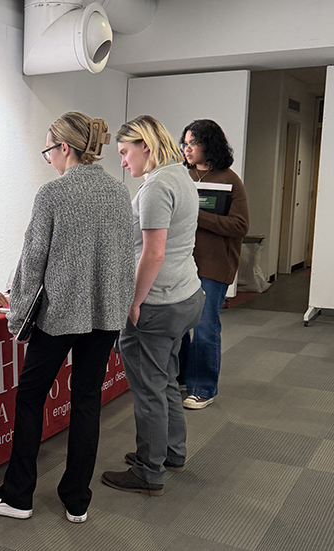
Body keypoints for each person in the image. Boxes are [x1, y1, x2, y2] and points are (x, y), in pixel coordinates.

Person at [0, 112, 135, 523]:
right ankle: (77, 499)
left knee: (29, 398)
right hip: (105, 316)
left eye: (48, 149)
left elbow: (32, 262)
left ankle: (17, 495)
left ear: (65, 147)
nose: (48, 158)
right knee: (86, 403)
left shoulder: (52, 195)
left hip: (60, 315)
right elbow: (123, 257)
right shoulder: (118, 192)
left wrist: (16, 317)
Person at [101, 115, 205, 497]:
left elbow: (153, 253)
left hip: (159, 302)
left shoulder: (158, 186)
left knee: (148, 388)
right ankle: (171, 453)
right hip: (186, 295)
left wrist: (132, 303)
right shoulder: (182, 176)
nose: (124, 163)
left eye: (126, 152)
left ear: (145, 145)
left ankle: (149, 471)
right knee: (165, 380)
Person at [178, 119, 250, 410]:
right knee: (178, 325)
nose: (187, 149)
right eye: (184, 143)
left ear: (209, 144)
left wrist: (196, 214)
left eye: (192, 143)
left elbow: (240, 225)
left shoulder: (229, 179)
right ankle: (182, 377)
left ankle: (203, 387)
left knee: (205, 327)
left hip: (214, 265)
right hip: (181, 263)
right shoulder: (181, 176)